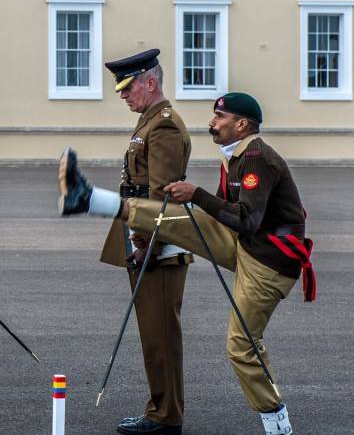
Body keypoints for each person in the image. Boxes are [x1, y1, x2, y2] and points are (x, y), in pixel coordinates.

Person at [59, 92, 316, 435]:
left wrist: (196, 195)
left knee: (242, 345)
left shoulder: (257, 158)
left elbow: (247, 220)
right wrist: (167, 227)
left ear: (242, 125)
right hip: (247, 244)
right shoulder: (235, 156)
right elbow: (225, 213)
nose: (212, 121)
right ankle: (89, 199)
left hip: (268, 261)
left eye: (220, 117)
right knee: (177, 218)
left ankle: (276, 423)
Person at [68, 48, 192, 435]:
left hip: (159, 241)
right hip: (146, 235)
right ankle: (161, 409)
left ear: (150, 83)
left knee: (160, 335)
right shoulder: (150, 121)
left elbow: (161, 196)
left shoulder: (165, 126)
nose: (122, 94)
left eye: (127, 87)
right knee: (153, 333)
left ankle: (165, 415)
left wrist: (144, 243)